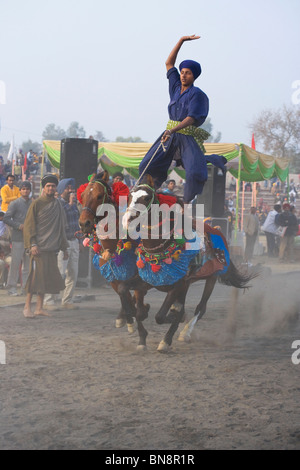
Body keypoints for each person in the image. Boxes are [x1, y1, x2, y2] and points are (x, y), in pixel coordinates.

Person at [138, 35, 226, 203]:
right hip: (169, 135)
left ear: (194, 76)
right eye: (183, 72)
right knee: (146, 165)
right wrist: (181, 41)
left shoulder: (198, 95)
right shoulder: (175, 87)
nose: (184, 75)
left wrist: (172, 130)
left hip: (184, 136)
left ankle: (185, 203)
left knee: (193, 172)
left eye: (188, 73)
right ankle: (147, 196)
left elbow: (191, 118)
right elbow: (169, 64)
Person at [22, 174, 69, 318]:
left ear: (56, 189)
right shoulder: (36, 204)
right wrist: (33, 244)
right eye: (48, 186)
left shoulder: (58, 205)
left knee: (45, 278)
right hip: (38, 249)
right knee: (34, 278)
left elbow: (60, 228)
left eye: (53, 186)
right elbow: (29, 226)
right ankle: (27, 307)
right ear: (44, 188)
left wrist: (64, 248)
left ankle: (39, 308)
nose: (50, 188)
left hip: (51, 249)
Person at [44, 178, 80, 309]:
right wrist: (70, 204)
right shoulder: (56, 203)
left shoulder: (74, 204)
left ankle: (67, 300)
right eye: (68, 188)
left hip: (73, 241)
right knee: (59, 272)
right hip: (61, 243)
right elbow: (59, 217)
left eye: (72, 189)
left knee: (73, 273)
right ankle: (49, 300)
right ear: (61, 190)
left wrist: (79, 241)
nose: (71, 191)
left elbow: (76, 222)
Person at [3, 181, 32, 296]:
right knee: (15, 264)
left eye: (27, 189)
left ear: (30, 191)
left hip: (29, 239)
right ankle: (12, 288)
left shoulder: (32, 204)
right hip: (17, 238)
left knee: (27, 265)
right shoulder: (14, 203)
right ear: (20, 191)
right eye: (23, 189)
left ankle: (25, 288)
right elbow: (6, 218)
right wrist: (18, 226)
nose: (25, 191)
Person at [0, 210, 11, 288]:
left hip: (7, 254)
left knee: (13, 262)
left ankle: (9, 284)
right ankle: (1, 283)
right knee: (1, 263)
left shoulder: (8, 229)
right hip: (1, 255)